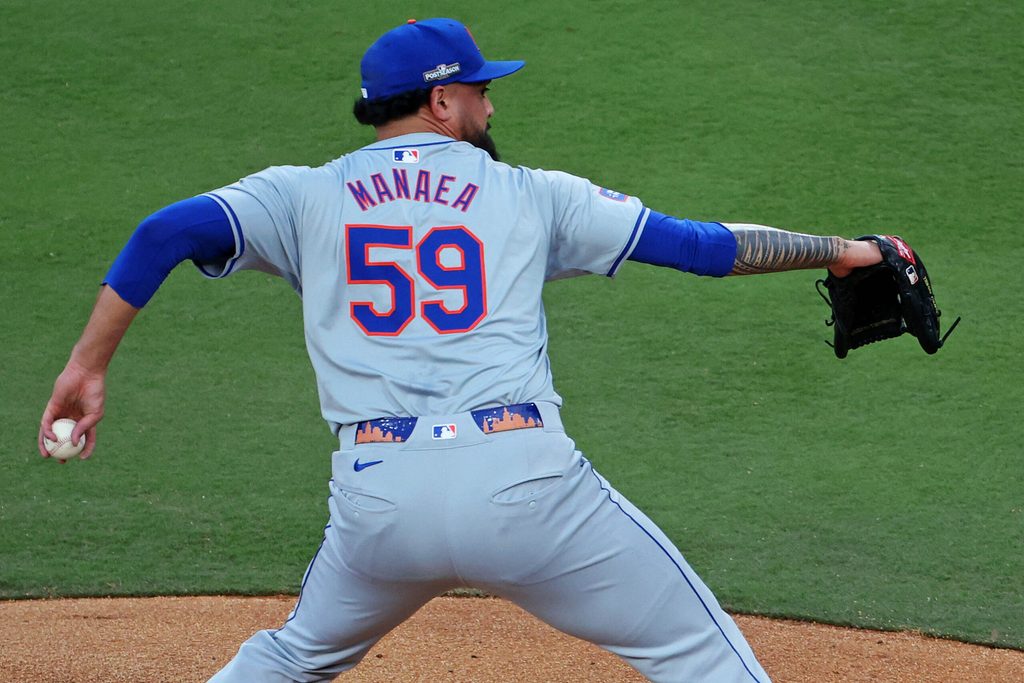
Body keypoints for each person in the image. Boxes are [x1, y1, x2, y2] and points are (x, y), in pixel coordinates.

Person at [38, 17, 882, 683]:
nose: (491, 106)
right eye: (480, 91)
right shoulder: (532, 194)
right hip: (523, 487)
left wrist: (87, 366)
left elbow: (164, 233)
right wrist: (839, 248)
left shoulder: (302, 195)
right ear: (441, 104)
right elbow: (703, 246)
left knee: (295, 657)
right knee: (700, 653)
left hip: (380, 502)